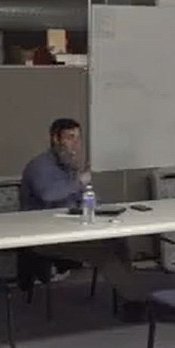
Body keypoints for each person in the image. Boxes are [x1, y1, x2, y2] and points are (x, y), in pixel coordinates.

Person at [20, 118, 147, 321]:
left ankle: (129, 297)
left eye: (78, 139)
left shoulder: (70, 166)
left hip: (71, 229)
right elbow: (48, 195)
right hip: (44, 235)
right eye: (70, 138)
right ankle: (139, 301)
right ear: (55, 139)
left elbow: (81, 199)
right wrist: (79, 181)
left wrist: (100, 207)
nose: (75, 145)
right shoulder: (39, 166)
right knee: (102, 253)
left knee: (119, 241)